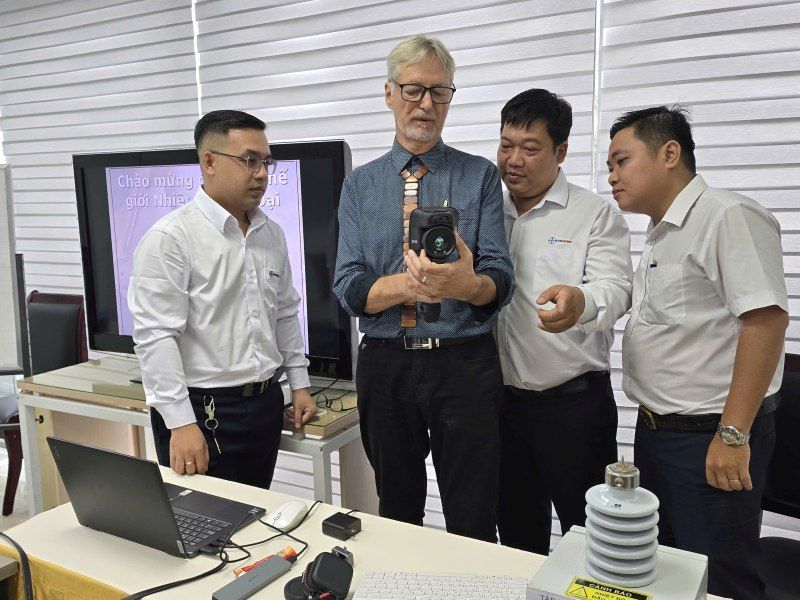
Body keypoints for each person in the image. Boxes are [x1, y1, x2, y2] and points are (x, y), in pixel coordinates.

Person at [332, 35, 514, 542]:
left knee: (475, 515)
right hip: (387, 364)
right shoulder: (360, 185)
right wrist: (406, 285)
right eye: (414, 90)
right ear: (389, 93)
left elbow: (502, 282)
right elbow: (347, 287)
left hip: (464, 364)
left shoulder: (478, 176)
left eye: (440, 92)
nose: (427, 104)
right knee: (397, 512)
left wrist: (466, 283)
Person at [608, 105, 788, 600]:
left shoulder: (727, 215)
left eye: (622, 161)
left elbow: (766, 320)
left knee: (719, 579)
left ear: (670, 153)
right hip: (660, 434)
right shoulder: (663, 229)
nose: (612, 177)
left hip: (711, 436)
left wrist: (733, 434)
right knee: (666, 570)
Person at [129, 109, 316, 488]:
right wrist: (180, 422)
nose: (262, 173)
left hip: (264, 404)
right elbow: (155, 337)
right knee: (204, 531)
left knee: (253, 522)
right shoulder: (171, 238)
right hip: (202, 410)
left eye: (266, 161)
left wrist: (299, 383)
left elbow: (283, 313)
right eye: (249, 160)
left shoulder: (271, 233)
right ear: (209, 161)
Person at [494, 89, 632, 555]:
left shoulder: (593, 214)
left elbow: (617, 287)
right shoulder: (484, 211)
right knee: (515, 537)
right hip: (500, 408)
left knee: (589, 538)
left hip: (573, 408)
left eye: (530, 148)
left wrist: (582, 300)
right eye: (506, 145)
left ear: (560, 152)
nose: (514, 160)